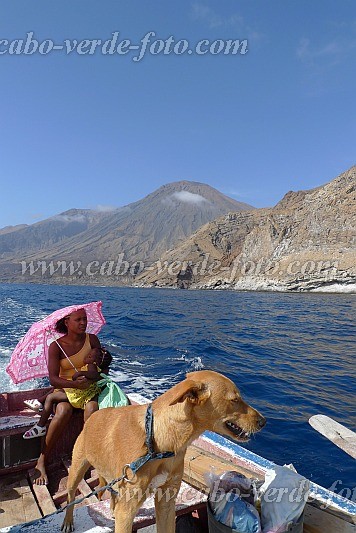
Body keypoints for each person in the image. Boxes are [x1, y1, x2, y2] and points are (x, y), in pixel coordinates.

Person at [33, 308, 112, 486]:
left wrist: (92, 378)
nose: (83, 323)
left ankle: (88, 456)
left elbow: (103, 367)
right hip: (65, 390)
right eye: (78, 320)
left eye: (85, 319)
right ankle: (42, 460)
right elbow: (53, 379)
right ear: (67, 322)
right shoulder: (56, 346)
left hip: (88, 389)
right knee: (62, 411)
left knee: (92, 408)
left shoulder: (92, 340)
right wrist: (74, 384)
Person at [23, 348, 106, 439]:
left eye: (89, 356)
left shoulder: (91, 365)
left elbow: (94, 374)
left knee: (51, 397)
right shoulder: (94, 367)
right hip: (83, 396)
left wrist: (80, 373)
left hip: (78, 394)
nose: (86, 356)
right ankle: (39, 403)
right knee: (59, 388)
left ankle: (40, 426)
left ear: (95, 361)